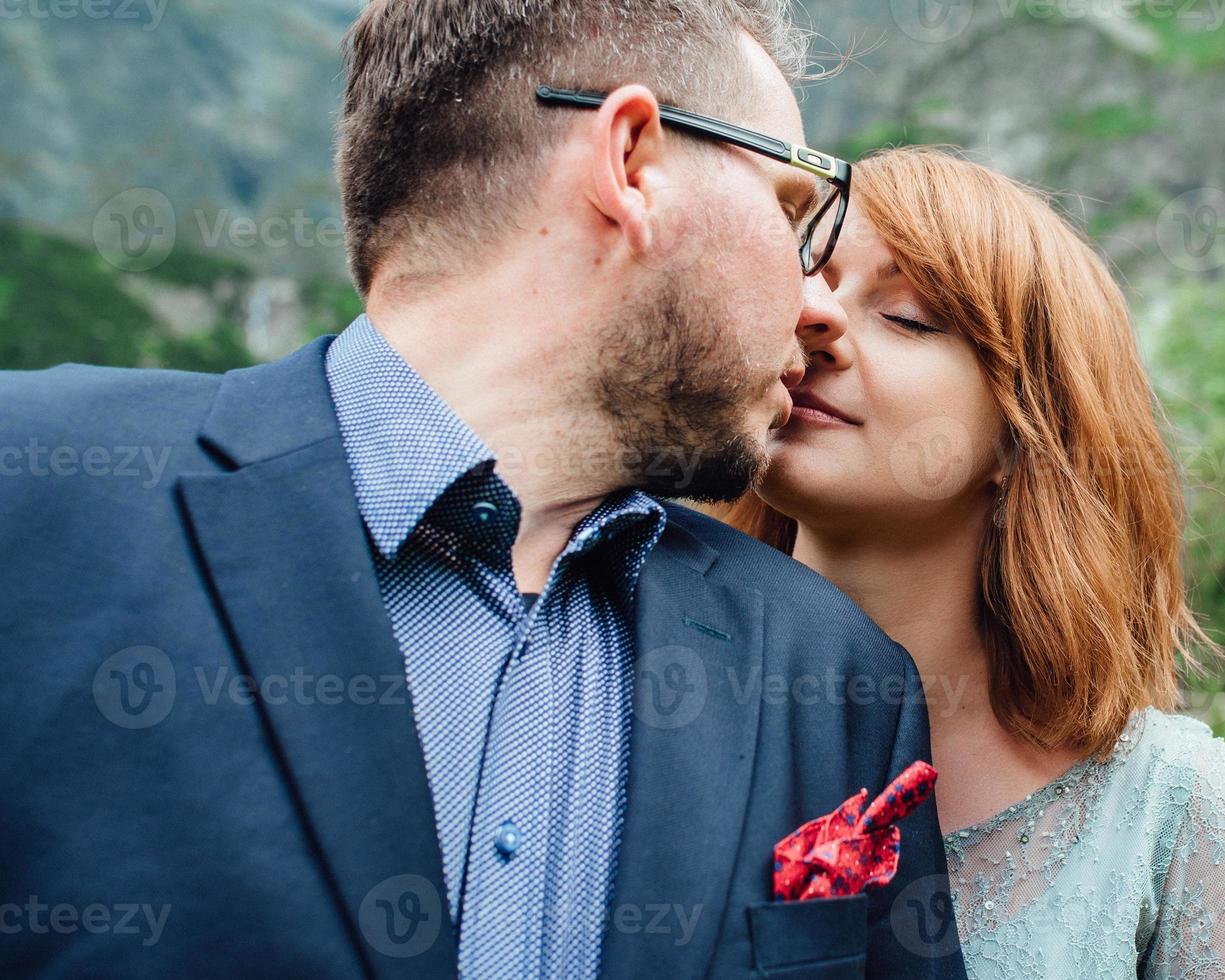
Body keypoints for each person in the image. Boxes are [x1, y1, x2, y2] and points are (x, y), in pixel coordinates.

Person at [0, 4, 964, 977]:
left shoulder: (836, 679)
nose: (812, 306)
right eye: (794, 213)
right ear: (632, 162)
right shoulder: (27, 502)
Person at [712, 146, 1225, 978]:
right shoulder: (632, 696)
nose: (815, 320)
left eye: (909, 316)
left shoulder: (1158, 802)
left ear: (1021, 436)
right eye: (806, 280)